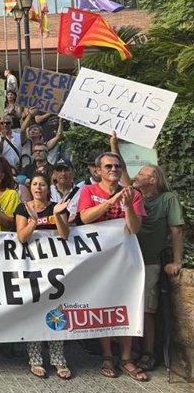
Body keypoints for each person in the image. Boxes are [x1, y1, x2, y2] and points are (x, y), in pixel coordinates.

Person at [78, 152, 147, 381]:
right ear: (98, 170)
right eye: (108, 166)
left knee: (125, 305)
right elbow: (86, 218)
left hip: (125, 259)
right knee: (104, 307)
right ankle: (107, 356)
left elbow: (135, 228)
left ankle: (127, 358)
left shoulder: (133, 194)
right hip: (98, 261)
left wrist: (127, 205)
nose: (114, 169)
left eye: (118, 166)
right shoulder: (88, 191)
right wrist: (111, 202)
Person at [14, 174, 72, 380]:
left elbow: (65, 234)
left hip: (55, 268)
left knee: (56, 311)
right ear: (30, 187)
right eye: (35, 184)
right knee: (35, 310)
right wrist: (34, 221)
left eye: (43, 184)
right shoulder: (23, 208)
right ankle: (35, 359)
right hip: (32, 267)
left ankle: (58, 359)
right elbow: (21, 237)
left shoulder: (58, 206)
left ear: (49, 187)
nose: (38, 187)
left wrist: (57, 215)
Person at [131, 164, 184, 373]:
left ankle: (148, 352)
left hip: (151, 260)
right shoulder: (135, 197)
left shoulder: (168, 199)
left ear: (153, 180)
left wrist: (177, 260)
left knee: (147, 308)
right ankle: (132, 348)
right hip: (130, 261)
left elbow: (176, 230)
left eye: (143, 173)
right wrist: (114, 145)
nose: (138, 175)